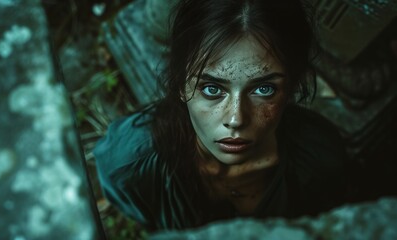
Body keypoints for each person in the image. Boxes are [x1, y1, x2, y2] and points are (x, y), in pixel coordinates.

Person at [94, 0, 348, 232]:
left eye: (264, 89)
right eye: (212, 89)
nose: (236, 119)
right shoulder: (129, 163)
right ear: (182, 86)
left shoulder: (320, 160)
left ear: (291, 88)